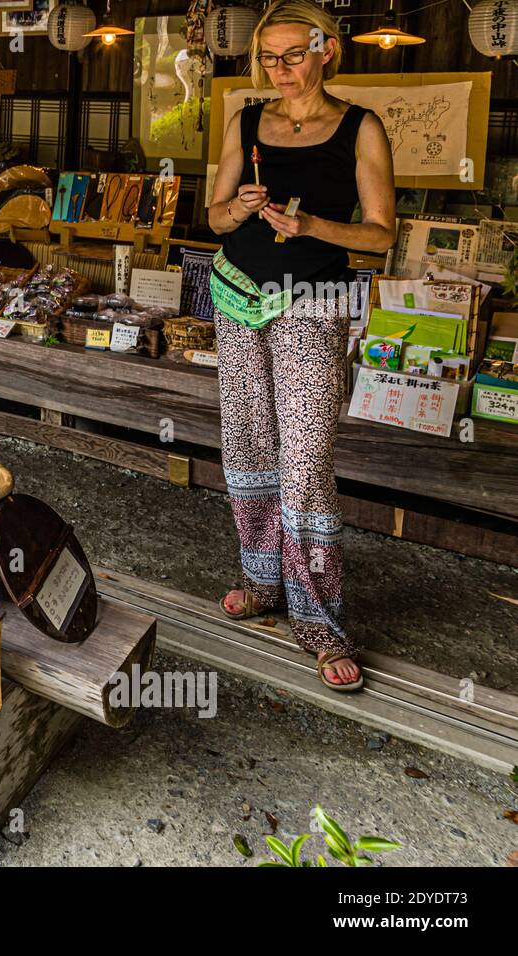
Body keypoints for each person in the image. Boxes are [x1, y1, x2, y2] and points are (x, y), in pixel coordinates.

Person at [207, 0, 396, 693]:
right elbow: (215, 213)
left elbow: (380, 232)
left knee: (307, 454)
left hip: (313, 301)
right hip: (235, 293)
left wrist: (312, 223)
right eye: (268, 56)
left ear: (326, 50)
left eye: (293, 54)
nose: (279, 68)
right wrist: (244, 209)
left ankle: (317, 617)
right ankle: (262, 582)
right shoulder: (246, 121)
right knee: (249, 443)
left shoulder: (359, 128)